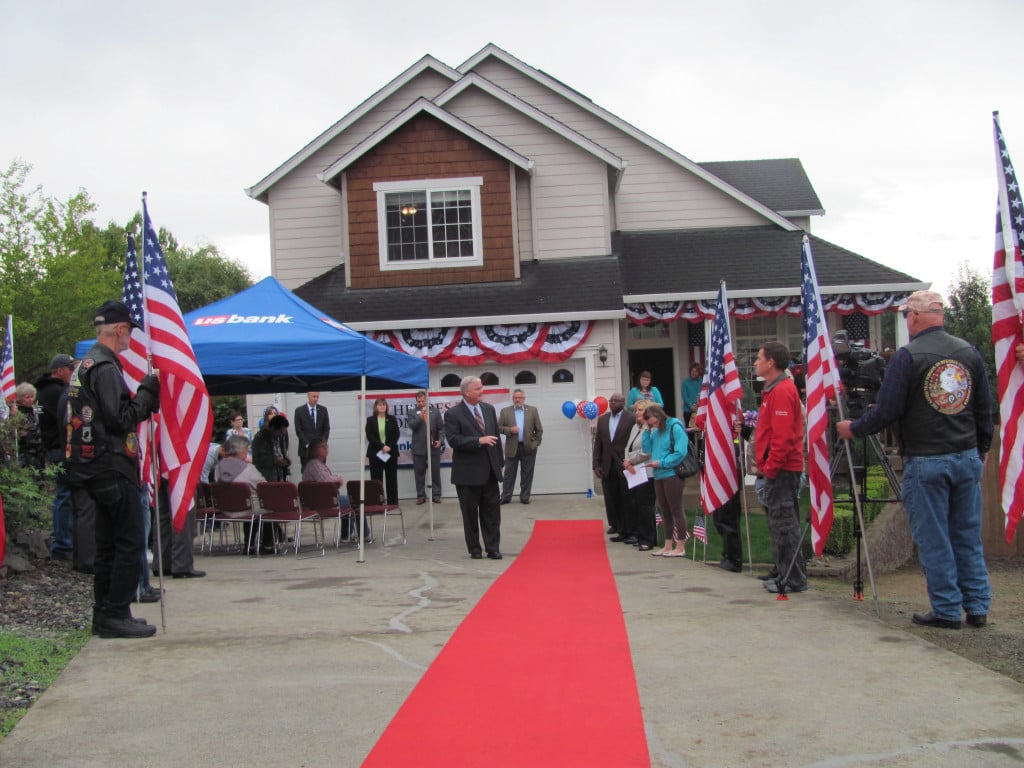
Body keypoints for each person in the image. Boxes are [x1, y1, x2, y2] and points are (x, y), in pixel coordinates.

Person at [838, 290, 992, 628]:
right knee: (967, 534)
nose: (906, 320)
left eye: (907, 315)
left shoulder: (907, 358)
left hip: (927, 458)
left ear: (917, 317)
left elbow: (888, 410)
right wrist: (980, 449)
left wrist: (854, 427)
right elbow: (984, 409)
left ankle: (948, 609)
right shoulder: (969, 353)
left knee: (934, 537)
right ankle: (978, 605)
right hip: (966, 455)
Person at [65, 300, 160, 639]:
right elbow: (119, 420)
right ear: (120, 330)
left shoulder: (85, 363)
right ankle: (117, 612)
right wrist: (147, 394)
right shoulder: (105, 368)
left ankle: (103, 613)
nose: (131, 338)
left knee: (107, 543)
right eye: (130, 331)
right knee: (129, 540)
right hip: (111, 465)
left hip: (90, 465)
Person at [754, 341, 808, 595]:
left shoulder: (783, 391)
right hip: (778, 468)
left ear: (771, 362)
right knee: (780, 523)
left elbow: (783, 437)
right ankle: (783, 571)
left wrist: (771, 468)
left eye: (759, 358)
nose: (755, 362)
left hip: (783, 470)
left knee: (784, 524)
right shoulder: (773, 390)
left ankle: (793, 578)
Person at [444, 375, 504, 560]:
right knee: (470, 515)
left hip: (490, 473)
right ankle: (475, 549)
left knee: (492, 514)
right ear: (467, 392)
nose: (482, 391)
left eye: (481, 388)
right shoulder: (453, 414)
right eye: (478, 389)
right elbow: (454, 440)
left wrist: (500, 463)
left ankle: (493, 548)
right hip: (467, 474)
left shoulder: (488, 409)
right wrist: (478, 440)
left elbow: (495, 439)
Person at [35, 354, 77, 561]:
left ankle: (65, 541)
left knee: (64, 495)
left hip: (53, 448)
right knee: (66, 496)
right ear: (59, 370)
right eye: (70, 368)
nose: (72, 372)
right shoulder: (56, 392)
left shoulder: (44, 391)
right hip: (60, 448)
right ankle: (64, 544)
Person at [641, 404, 690, 556]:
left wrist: (662, 462)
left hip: (672, 474)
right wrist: (647, 431)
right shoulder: (655, 431)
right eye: (650, 423)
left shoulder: (674, 427)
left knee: (676, 510)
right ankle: (668, 544)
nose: (653, 425)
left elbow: (681, 451)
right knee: (665, 511)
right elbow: (647, 448)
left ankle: (680, 546)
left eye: (654, 422)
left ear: (659, 415)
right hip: (658, 475)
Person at [302, 437, 367, 541]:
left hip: (320, 500)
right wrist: (338, 479)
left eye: (326, 446)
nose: (326, 448)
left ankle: (346, 535)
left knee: (347, 504)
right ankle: (364, 534)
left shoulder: (315, 464)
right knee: (356, 501)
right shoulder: (315, 465)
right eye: (322, 447)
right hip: (322, 502)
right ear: (314, 450)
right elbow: (325, 481)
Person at [215, 434, 271, 553]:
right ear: (239, 450)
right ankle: (268, 545)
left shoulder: (218, 468)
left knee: (250, 505)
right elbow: (264, 486)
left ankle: (249, 544)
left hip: (225, 508)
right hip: (247, 508)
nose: (247, 452)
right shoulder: (249, 468)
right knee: (267, 507)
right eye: (246, 449)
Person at [592, 392, 632, 539]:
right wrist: (596, 464)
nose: (613, 403)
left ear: (623, 403)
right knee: (610, 496)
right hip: (607, 464)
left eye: (617, 401)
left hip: (624, 464)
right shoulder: (603, 419)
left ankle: (625, 526)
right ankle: (614, 524)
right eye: (611, 400)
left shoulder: (631, 418)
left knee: (624, 496)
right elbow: (598, 443)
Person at [621, 398, 658, 552]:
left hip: (647, 471)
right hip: (633, 471)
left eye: (641, 410)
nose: (637, 413)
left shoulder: (651, 428)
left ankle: (649, 539)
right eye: (636, 410)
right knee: (636, 504)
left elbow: (647, 452)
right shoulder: (636, 428)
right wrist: (626, 460)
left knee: (646, 506)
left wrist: (631, 461)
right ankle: (640, 535)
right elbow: (627, 447)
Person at [498, 389, 543, 505]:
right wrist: (509, 430)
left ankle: (524, 497)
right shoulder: (505, 411)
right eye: (515, 398)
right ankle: (506, 497)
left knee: (527, 473)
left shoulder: (532, 410)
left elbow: (539, 430)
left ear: (524, 398)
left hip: (528, 448)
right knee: (508, 474)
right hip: (512, 447)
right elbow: (499, 428)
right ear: (513, 399)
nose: (517, 400)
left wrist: (535, 444)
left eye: (519, 397)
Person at [408, 390, 443, 504]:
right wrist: (421, 416)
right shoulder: (412, 412)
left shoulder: (435, 411)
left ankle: (436, 495)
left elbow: (441, 428)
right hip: (418, 447)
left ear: (427, 400)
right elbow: (412, 425)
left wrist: (440, 441)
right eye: (419, 401)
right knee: (419, 473)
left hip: (433, 447)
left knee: (435, 472)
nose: (421, 403)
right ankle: (421, 495)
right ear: (416, 401)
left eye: (423, 401)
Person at [365, 397, 400, 504]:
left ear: (386, 406)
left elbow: (396, 434)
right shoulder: (370, 420)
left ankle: (392, 502)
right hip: (376, 453)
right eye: (379, 405)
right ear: (376, 407)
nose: (382, 407)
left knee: (391, 478)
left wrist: (389, 446)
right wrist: (381, 446)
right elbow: (370, 436)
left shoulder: (392, 419)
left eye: (383, 405)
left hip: (390, 452)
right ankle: (377, 502)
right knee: (376, 480)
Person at [294, 392, 329, 471]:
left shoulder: (323, 410)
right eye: (314, 396)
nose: (316, 399)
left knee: (321, 473)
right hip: (305, 450)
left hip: (320, 450)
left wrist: (322, 444)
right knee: (307, 473)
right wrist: (307, 444)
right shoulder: (299, 411)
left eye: (317, 397)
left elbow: (326, 428)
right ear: (308, 396)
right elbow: (298, 429)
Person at [14, 382, 44, 470]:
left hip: (38, 453)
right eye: (27, 397)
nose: (30, 399)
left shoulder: (34, 411)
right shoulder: (17, 414)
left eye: (32, 396)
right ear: (20, 398)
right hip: (25, 454)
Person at [253, 414, 291, 482]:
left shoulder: (281, 437)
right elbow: (257, 460)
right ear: (273, 428)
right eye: (280, 432)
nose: (282, 434)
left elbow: (281, 452)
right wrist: (275, 461)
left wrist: (286, 459)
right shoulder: (260, 438)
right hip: (267, 476)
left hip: (280, 474)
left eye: (284, 432)